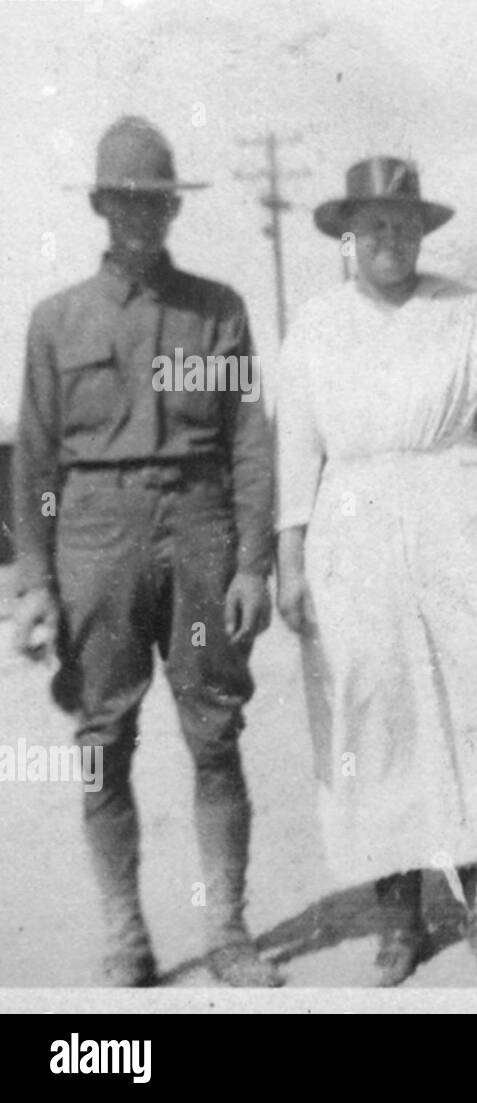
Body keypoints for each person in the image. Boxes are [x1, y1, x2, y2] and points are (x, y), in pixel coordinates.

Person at [275, 157, 477, 984]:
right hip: (355, 534)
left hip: (463, 521)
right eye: (373, 226)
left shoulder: (467, 312)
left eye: (403, 225)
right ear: (349, 234)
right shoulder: (316, 325)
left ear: (423, 231)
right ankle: (399, 918)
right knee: (377, 719)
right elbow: (297, 444)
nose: (390, 241)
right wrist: (291, 557)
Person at [10, 116, 281, 987]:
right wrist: (39, 582)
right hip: (96, 533)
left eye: (156, 201)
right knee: (102, 735)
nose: (142, 217)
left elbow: (248, 441)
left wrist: (250, 563)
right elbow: (39, 465)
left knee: (214, 730)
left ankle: (229, 929)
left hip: (200, 528)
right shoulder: (57, 321)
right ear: (99, 206)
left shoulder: (218, 309)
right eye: (125, 201)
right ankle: (126, 933)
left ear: (174, 208)